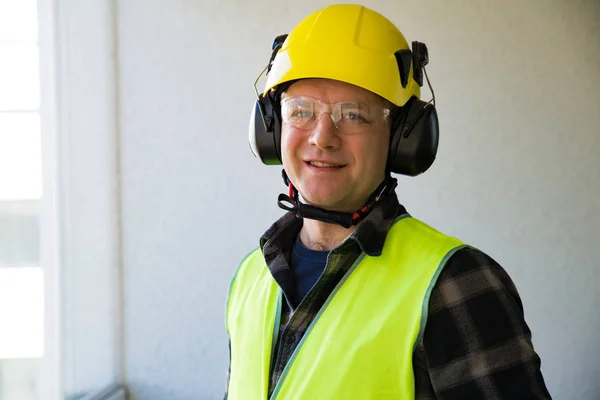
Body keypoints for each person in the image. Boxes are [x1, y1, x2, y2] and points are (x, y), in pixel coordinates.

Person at [224, 4, 552, 399]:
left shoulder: (455, 283)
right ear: (271, 128)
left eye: (354, 115)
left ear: (402, 138)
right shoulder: (250, 277)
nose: (322, 137)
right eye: (301, 111)